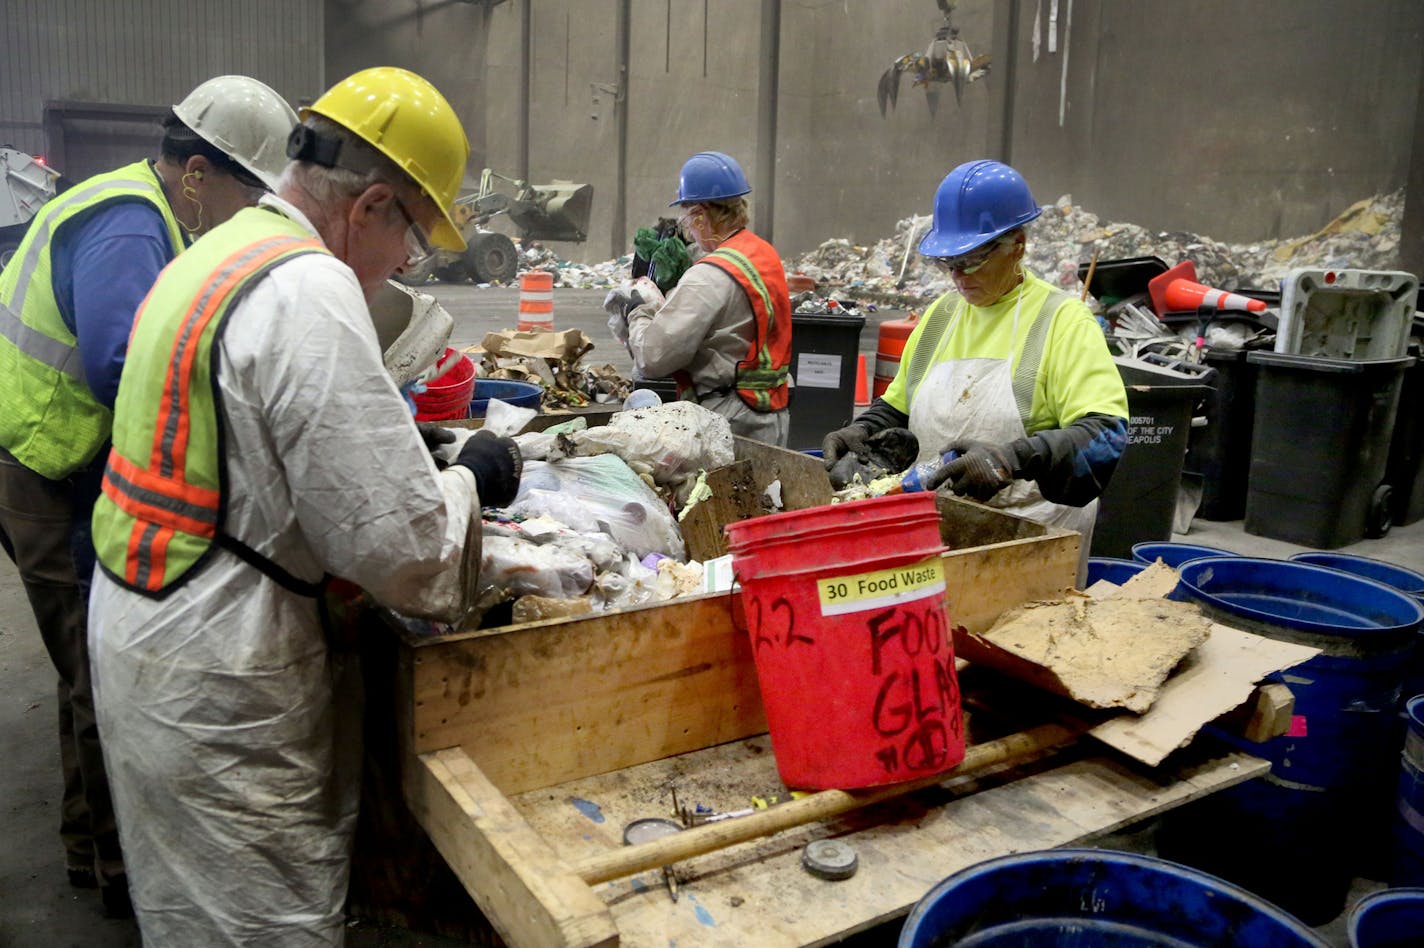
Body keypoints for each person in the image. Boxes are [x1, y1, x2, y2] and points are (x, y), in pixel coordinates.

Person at [86, 66, 521, 944]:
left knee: (193, 913)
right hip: (221, 671)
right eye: (411, 237)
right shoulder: (308, 290)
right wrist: (470, 473)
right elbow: (401, 549)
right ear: (370, 208)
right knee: (258, 922)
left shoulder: (219, 248)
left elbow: (254, 448)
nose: (405, 262)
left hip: (151, 624)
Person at [0, 74, 298, 917]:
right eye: (248, 190)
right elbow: (121, 365)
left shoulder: (158, 214)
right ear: (197, 171)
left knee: (81, 663)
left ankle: (87, 847)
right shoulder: (130, 225)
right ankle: (116, 871)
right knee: (98, 672)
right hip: (41, 462)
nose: (250, 212)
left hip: (62, 459)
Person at [823, 159, 1128, 569]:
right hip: (937, 536)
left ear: (1017, 244)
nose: (958, 276)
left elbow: (1105, 436)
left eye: (973, 259)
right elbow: (899, 406)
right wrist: (862, 430)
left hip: (1028, 543)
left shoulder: (1063, 321)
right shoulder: (940, 318)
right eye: (947, 263)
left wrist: (1011, 459)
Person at [623, 151, 792, 446]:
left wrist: (638, 312)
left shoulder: (708, 277)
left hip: (727, 422)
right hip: (769, 414)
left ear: (701, 214)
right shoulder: (762, 253)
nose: (685, 223)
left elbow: (653, 358)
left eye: (687, 213)